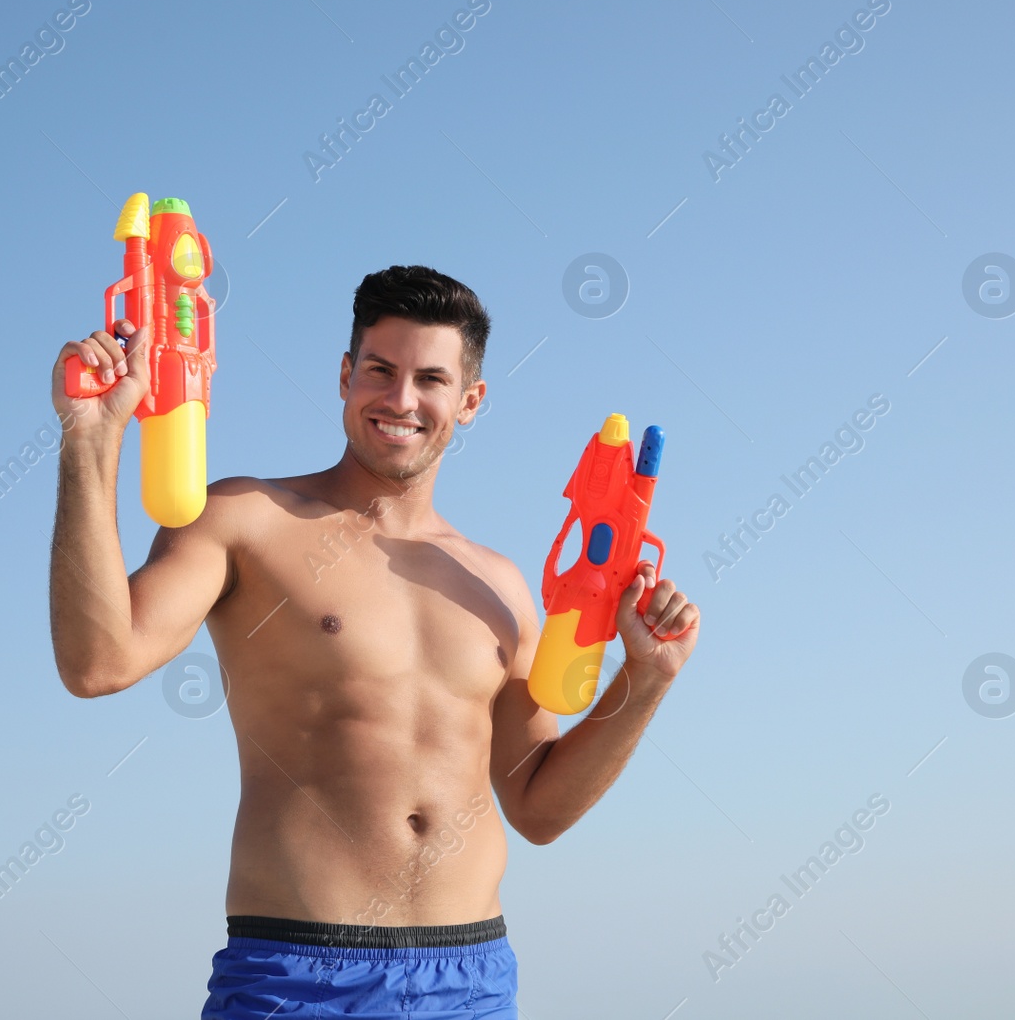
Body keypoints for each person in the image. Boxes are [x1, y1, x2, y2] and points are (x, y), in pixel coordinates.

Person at [48, 265, 700, 1018]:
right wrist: (89, 444)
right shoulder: (246, 520)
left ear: (470, 400)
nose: (401, 400)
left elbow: (538, 807)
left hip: (471, 979)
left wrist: (644, 680)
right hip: (297, 974)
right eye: (380, 371)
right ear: (344, 375)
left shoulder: (500, 585)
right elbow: (97, 661)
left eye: (430, 378)